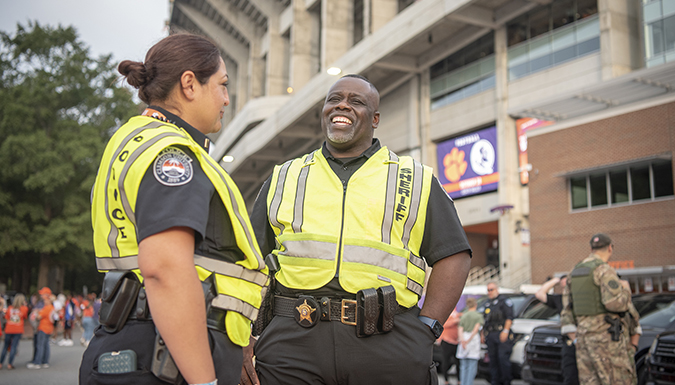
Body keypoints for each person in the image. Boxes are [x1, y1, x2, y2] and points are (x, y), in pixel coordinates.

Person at [241, 74, 472, 385]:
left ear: (374, 119)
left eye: (356, 101)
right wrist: (242, 335)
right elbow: (248, 261)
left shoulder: (414, 179)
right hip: (292, 341)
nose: (343, 105)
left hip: (386, 343)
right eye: (334, 99)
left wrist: (426, 327)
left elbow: (454, 255)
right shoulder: (285, 177)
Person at [79, 33, 268, 385]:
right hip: (165, 357)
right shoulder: (174, 155)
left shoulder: (135, 138)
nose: (227, 99)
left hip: (139, 340)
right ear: (189, 84)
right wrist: (204, 381)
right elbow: (164, 269)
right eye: (222, 85)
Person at [561, 233, 633, 385]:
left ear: (591, 248)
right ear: (610, 248)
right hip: (606, 339)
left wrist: (576, 337)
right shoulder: (604, 270)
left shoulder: (574, 271)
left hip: (583, 340)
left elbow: (567, 309)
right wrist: (626, 290)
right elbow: (613, 303)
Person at [535, 275, 578, 385]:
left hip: (583, 339)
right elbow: (540, 294)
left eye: (567, 285)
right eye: (562, 286)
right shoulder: (559, 299)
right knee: (570, 374)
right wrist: (555, 281)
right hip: (569, 341)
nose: (565, 289)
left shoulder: (579, 298)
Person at [482, 282, 514, 385]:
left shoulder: (504, 301)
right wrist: (482, 334)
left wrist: (505, 331)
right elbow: (485, 320)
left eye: (491, 290)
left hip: (501, 333)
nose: (489, 292)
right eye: (488, 290)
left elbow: (509, 317)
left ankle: (506, 382)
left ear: (497, 290)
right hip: (490, 334)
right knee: (493, 361)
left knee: (503, 359)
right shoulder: (488, 303)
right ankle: (495, 382)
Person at [457, 298, 483, 385]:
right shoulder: (478, 315)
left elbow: (460, 329)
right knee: (472, 365)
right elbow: (476, 329)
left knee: (463, 366)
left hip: (463, 337)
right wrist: (468, 340)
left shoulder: (464, 315)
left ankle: (463, 383)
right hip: (472, 339)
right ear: (475, 304)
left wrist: (462, 340)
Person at [0, 294, 29, 370]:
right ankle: (10, 364)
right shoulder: (24, 308)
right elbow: (25, 317)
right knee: (14, 346)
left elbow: (7, 317)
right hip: (18, 329)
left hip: (9, 328)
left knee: (5, 346)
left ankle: (1, 363)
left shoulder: (10, 308)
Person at [28, 287, 54, 369]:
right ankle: (45, 361)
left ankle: (37, 362)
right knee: (46, 345)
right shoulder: (51, 307)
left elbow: (39, 317)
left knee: (40, 345)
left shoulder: (47, 308)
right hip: (49, 328)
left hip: (43, 327)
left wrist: (37, 312)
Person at [438, 309, 461, 385]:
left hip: (456, 342)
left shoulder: (457, 315)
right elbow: (443, 325)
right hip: (446, 341)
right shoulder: (445, 316)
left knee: (458, 362)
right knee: (445, 361)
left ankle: (459, 380)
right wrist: (454, 321)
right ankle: (446, 380)